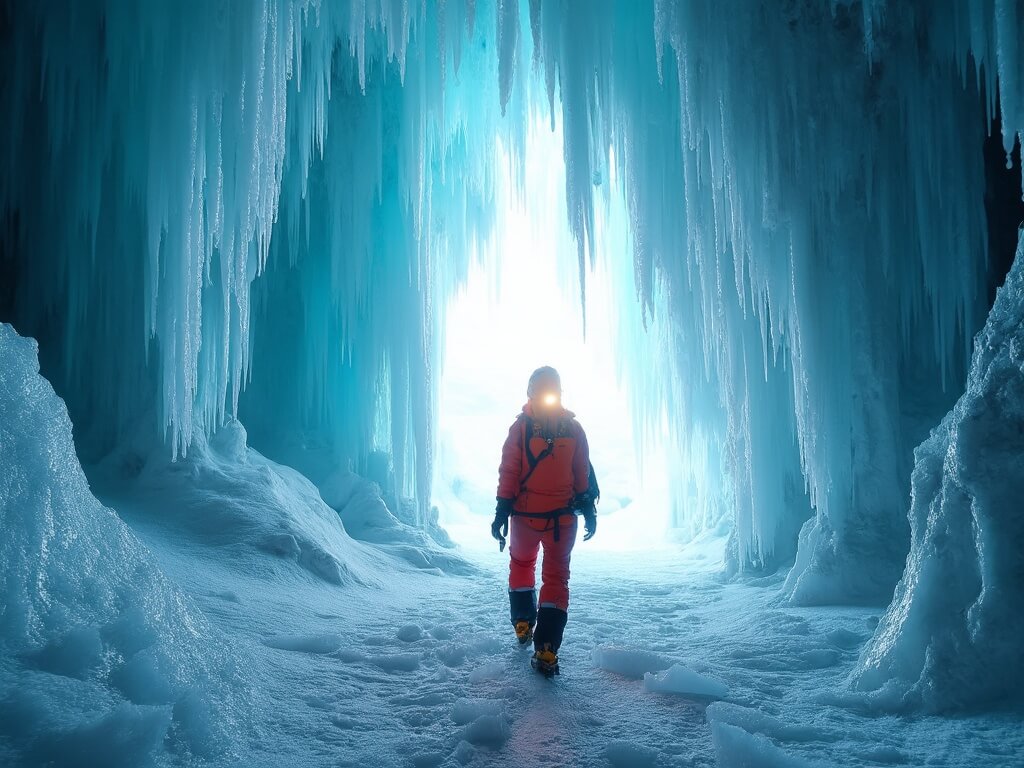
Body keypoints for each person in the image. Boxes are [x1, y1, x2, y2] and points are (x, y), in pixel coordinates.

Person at [491, 366, 597, 676]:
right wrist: (588, 508)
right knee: (556, 578)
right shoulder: (574, 430)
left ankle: (524, 621)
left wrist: (502, 509)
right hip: (560, 521)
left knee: (523, 565)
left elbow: (509, 471)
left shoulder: (521, 429)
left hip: (527, 517)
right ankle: (546, 647)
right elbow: (582, 475)